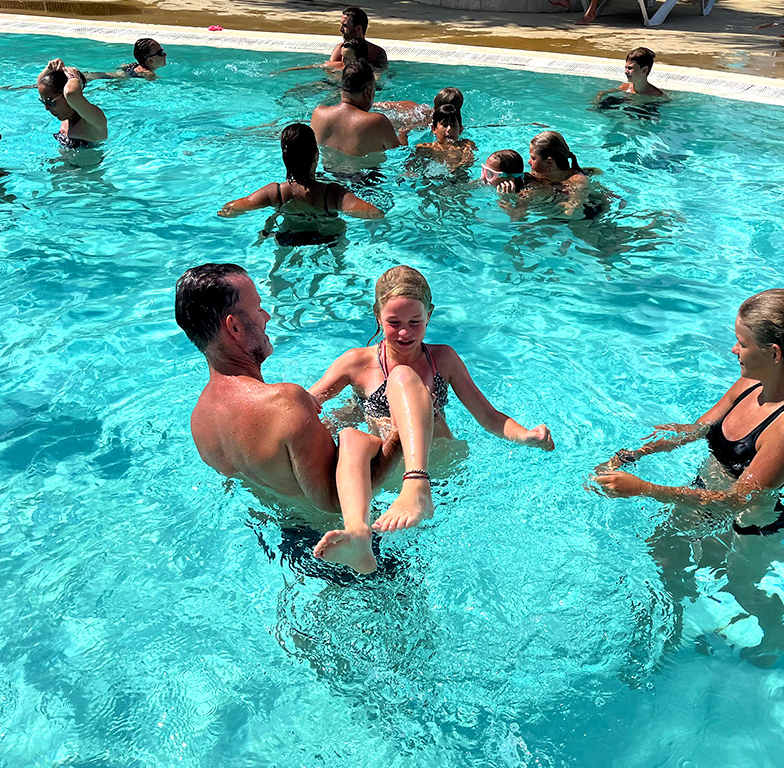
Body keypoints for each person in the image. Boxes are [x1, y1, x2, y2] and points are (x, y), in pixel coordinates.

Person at [176, 263, 439, 574]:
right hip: (352, 548)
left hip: (293, 548)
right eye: (258, 308)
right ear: (233, 327)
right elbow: (330, 501)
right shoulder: (285, 402)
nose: (266, 317)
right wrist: (401, 433)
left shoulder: (200, 422)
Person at [308, 265, 556, 527]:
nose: (405, 332)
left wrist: (525, 435)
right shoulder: (357, 363)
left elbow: (488, 415)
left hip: (443, 462)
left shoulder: (443, 359)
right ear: (378, 316)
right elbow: (307, 403)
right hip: (390, 470)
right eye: (394, 323)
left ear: (429, 315)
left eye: (415, 322)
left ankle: (417, 492)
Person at [591, 289, 784, 535]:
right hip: (700, 496)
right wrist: (628, 456)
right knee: (657, 558)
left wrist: (644, 488)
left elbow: (738, 500)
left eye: (743, 344)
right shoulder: (751, 384)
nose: (734, 350)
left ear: (774, 353)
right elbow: (694, 430)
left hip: (745, 530)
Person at [218, 123, 383, 244]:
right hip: (328, 238)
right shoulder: (333, 193)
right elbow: (374, 213)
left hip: (288, 237)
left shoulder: (275, 192)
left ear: (285, 159)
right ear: (316, 156)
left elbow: (230, 209)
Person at [311, 59, 404, 157]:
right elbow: (399, 154)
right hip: (366, 172)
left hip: (325, 171)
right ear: (367, 92)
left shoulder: (318, 114)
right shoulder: (378, 122)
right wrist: (403, 134)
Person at [37, 59, 107, 148]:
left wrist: (74, 77)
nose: (46, 108)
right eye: (43, 102)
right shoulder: (66, 116)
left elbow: (71, 93)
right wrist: (49, 69)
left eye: (50, 102)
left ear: (65, 96)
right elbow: (42, 85)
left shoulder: (93, 120)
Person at [525, 130, 590, 217]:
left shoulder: (577, 181)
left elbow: (572, 211)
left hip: (589, 216)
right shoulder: (534, 176)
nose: (528, 161)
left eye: (533, 158)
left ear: (549, 162)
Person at [415, 104, 476, 170]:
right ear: (434, 129)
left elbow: (469, 161)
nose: (449, 129)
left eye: (453, 125)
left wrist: (458, 167)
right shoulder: (426, 148)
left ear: (460, 130)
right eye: (445, 125)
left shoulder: (466, 145)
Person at [594, 47, 665, 101]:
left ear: (644, 70)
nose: (625, 71)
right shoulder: (624, 88)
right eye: (626, 67)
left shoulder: (657, 96)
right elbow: (602, 93)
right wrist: (598, 98)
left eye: (630, 68)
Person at [86, 37, 168, 81]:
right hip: (114, 81)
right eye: (161, 52)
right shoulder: (149, 74)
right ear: (151, 60)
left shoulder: (134, 66)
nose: (165, 54)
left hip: (113, 75)